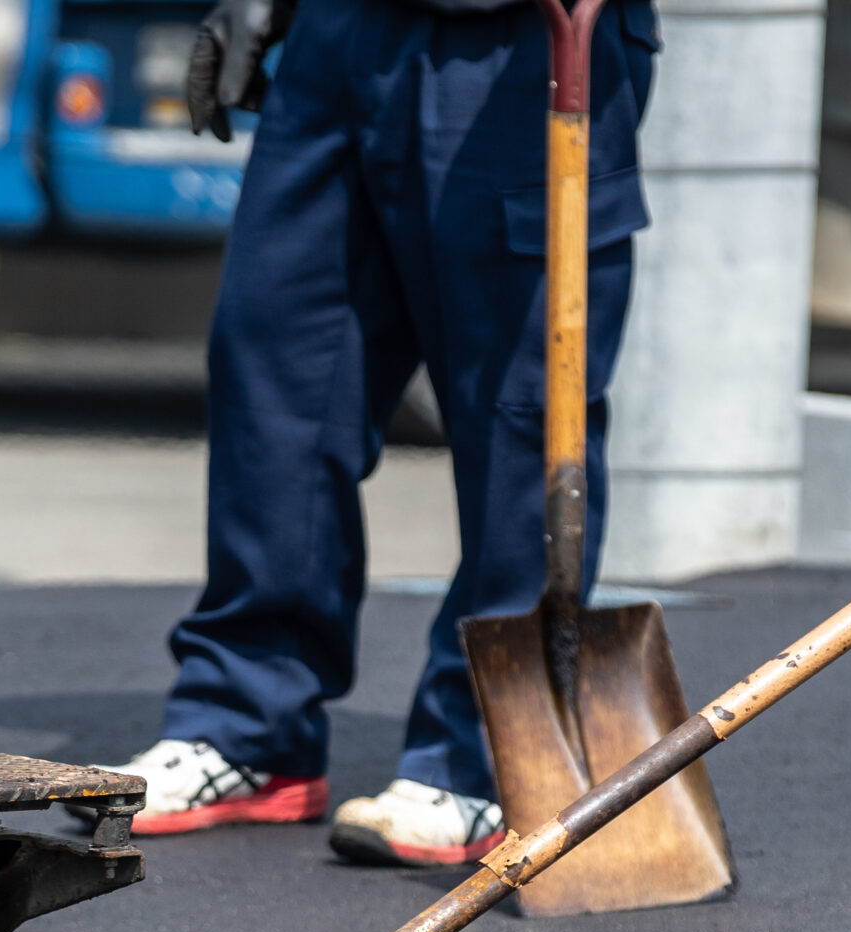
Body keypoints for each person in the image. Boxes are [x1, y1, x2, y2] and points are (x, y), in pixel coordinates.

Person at [82, 0, 658, 866]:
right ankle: (247, 723)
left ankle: (487, 749)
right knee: (278, 368)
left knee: (520, 407)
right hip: (340, 31)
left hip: (518, 43)